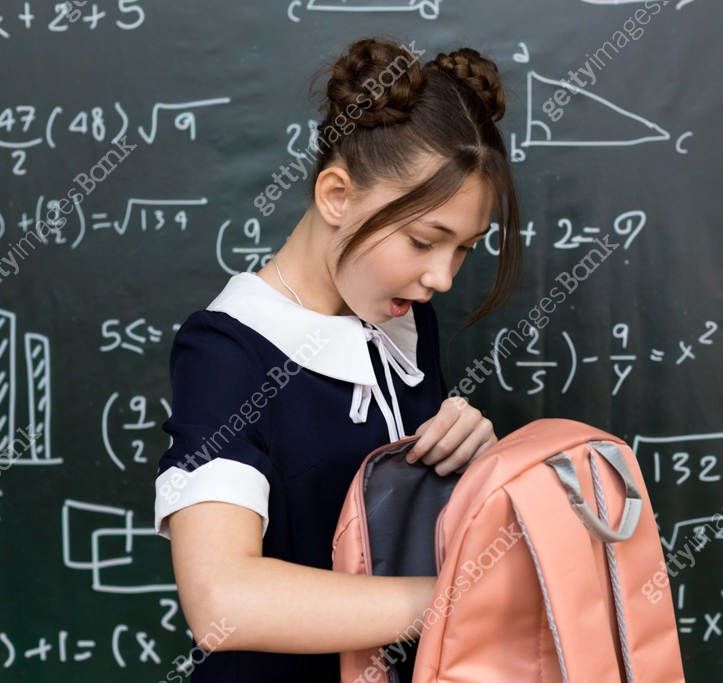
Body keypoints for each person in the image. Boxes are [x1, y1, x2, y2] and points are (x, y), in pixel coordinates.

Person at [152, 36, 523, 681]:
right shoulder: (227, 351)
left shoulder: (405, 321)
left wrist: (472, 462)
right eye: (423, 240)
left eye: (465, 248)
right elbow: (222, 600)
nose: (442, 276)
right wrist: (458, 598)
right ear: (335, 196)